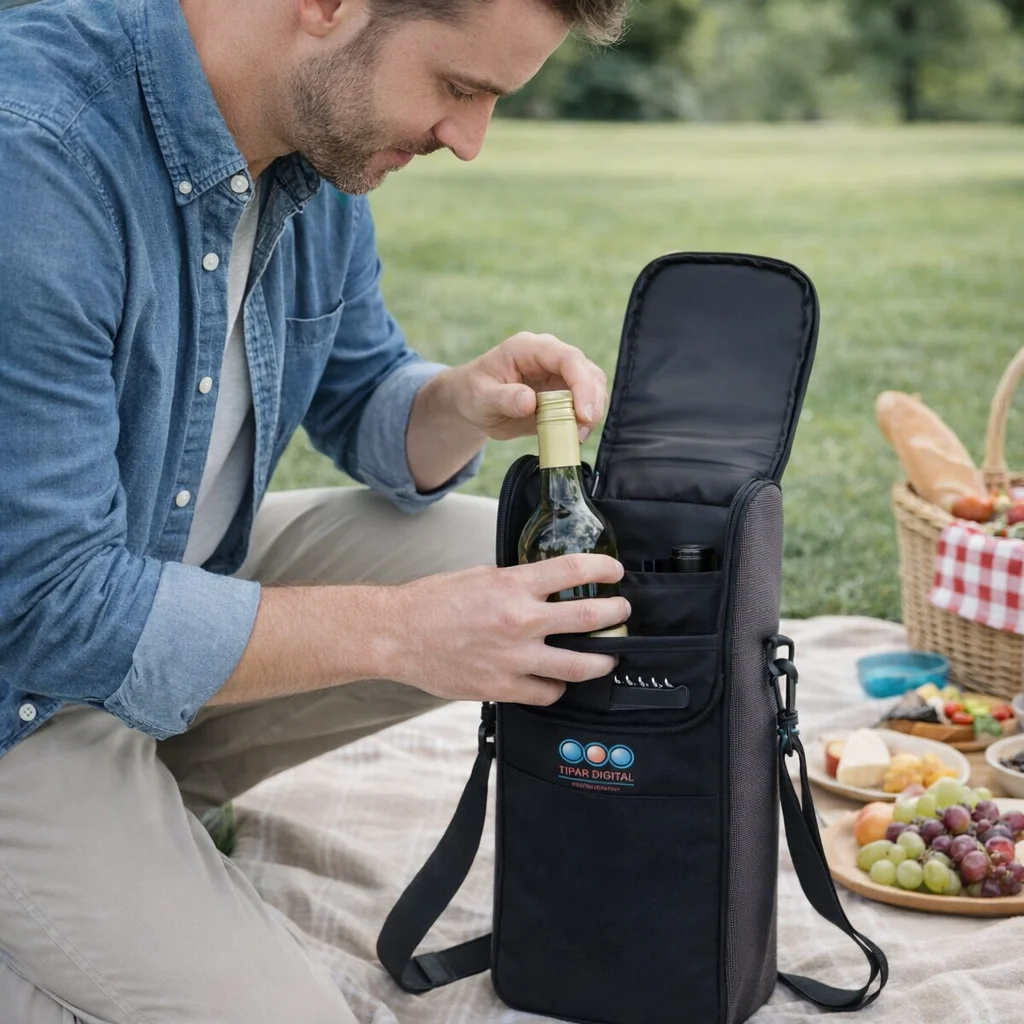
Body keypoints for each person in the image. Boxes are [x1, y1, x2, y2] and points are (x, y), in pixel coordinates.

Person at [0, 0, 634, 1019]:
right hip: (21, 692)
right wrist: (402, 633)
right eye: (459, 87)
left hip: (157, 603)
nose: (468, 141)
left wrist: (460, 402)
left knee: (527, 575)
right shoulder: (33, 155)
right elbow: (46, 607)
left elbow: (361, 389)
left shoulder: (312, 154)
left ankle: (140, 801)